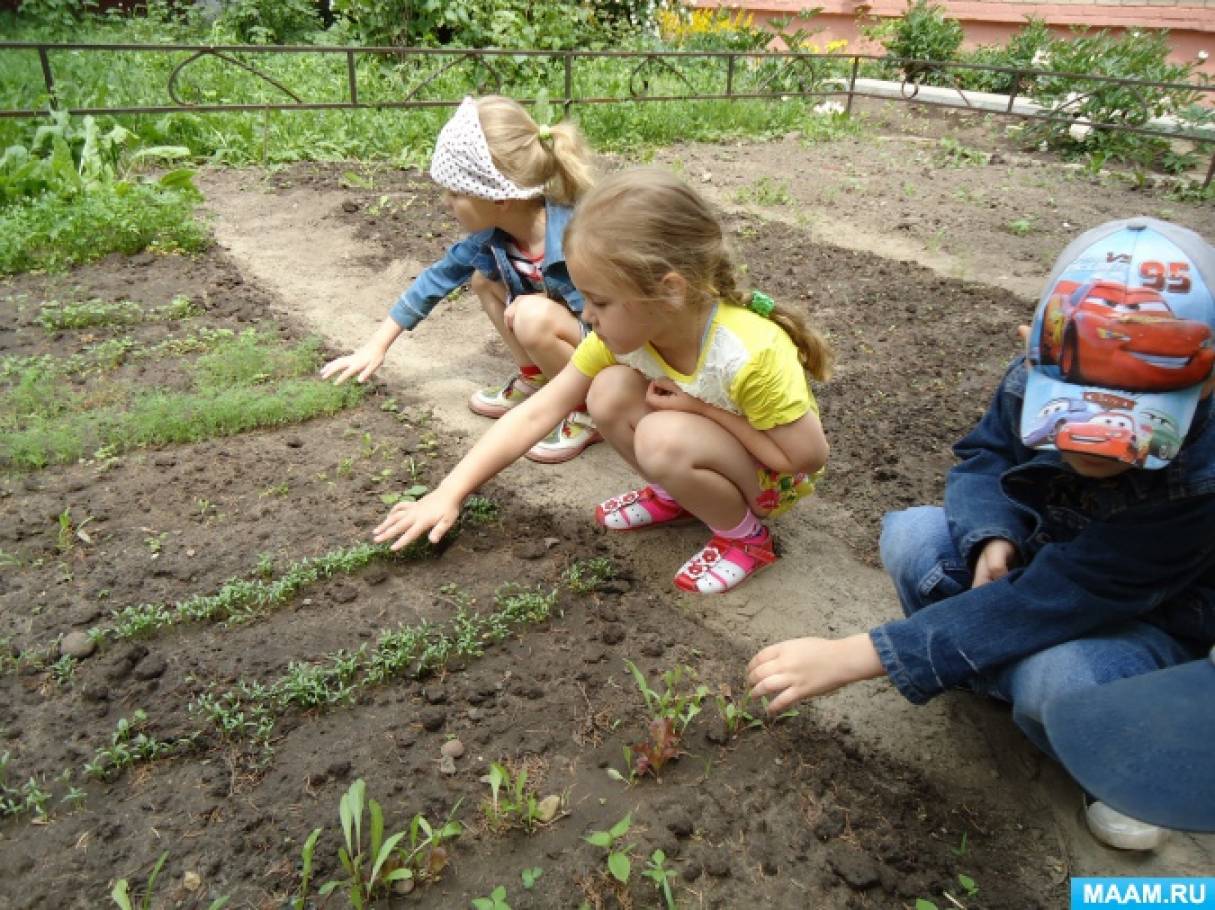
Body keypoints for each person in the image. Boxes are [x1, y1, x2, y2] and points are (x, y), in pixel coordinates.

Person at [747, 217, 1215, 850]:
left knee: (1064, 679)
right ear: (1032, 350)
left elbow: (1069, 593)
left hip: (1141, 619)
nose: (1099, 445)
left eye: (1132, 425)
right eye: (1072, 413)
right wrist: (993, 534)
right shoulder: (1030, 375)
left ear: (1204, 381)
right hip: (1033, 568)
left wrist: (864, 654)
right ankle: (982, 662)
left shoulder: (1203, 481)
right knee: (913, 536)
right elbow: (984, 459)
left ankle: (1122, 761)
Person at [374, 168, 832, 594]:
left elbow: (805, 459)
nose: (586, 315)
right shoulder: (627, 336)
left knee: (661, 435)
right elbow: (540, 409)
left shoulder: (748, 354)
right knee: (607, 390)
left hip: (774, 482)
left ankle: (746, 538)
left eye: (598, 301)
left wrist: (698, 409)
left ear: (669, 290)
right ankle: (679, 496)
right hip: (716, 449)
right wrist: (448, 493)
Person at [320, 95, 600, 463]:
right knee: (484, 279)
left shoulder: (578, 237)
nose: (446, 203)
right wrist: (376, 346)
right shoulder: (495, 235)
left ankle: (585, 410)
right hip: (576, 342)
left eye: (456, 193)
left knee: (531, 315)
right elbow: (435, 281)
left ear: (499, 198)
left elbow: (615, 328)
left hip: (608, 355)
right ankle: (537, 377)